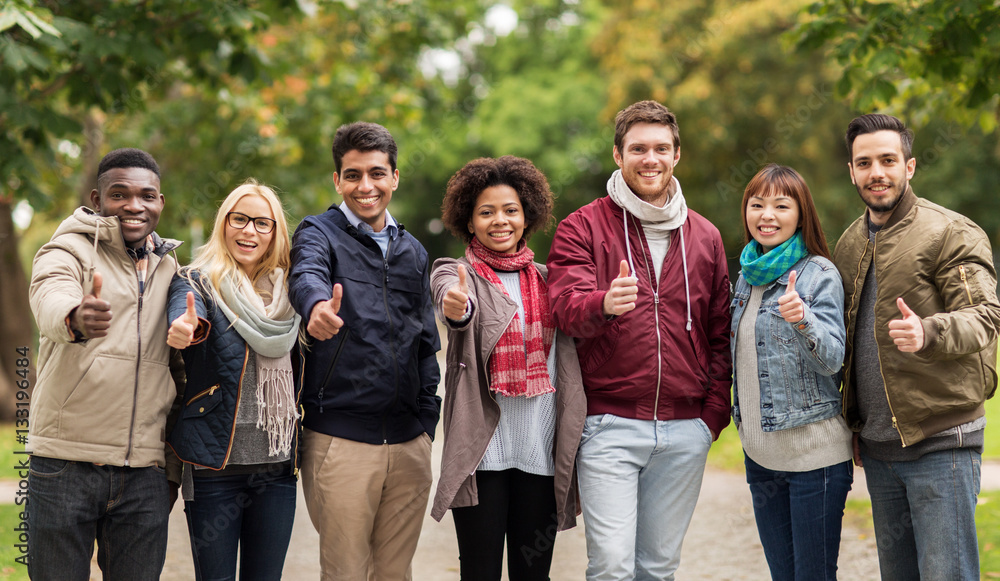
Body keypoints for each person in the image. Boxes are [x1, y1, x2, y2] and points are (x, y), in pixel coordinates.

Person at [546, 100, 732, 580]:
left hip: (685, 429)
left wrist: (711, 416)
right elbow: (563, 310)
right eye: (638, 148)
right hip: (609, 425)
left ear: (676, 156)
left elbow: (719, 333)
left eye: (660, 148)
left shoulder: (706, 237)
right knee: (610, 565)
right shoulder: (581, 226)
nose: (650, 158)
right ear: (617, 154)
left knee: (659, 567)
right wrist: (603, 303)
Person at [834, 113, 1000, 580]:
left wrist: (929, 332)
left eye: (888, 160)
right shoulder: (848, 244)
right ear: (851, 171)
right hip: (881, 447)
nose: (876, 172)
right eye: (864, 162)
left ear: (909, 166)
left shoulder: (951, 231)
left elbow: (985, 316)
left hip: (941, 443)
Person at [288, 121, 441, 580]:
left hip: (408, 441)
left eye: (377, 173)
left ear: (394, 177)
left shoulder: (413, 250)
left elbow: (426, 343)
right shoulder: (318, 232)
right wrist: (316, 307)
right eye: (352, 175)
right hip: (341, 440)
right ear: (337, 180)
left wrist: (425, 423)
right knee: (346, 573)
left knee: (395, 573)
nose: (365, 186)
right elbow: (306, 274)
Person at [27, 148, 182, 580]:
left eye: (146, 195)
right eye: (120, 194)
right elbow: (50, 295)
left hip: (143, 475)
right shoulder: (66, 250)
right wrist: (75, 317)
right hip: (65, 466)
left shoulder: (171, 268)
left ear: (160, 202)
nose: (134, 205)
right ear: (97, 199)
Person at [429, 156, 587, 580]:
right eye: (486, 212)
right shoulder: (455, 272)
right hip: (482, 455)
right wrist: (456, 307)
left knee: (533, 574)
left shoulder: (552, 279)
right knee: (479, 573)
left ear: (526, 215)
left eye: (510, 210)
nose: (500, 221)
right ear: (469, 220)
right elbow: (452, 302)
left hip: (541, 448)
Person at [165, 181, 301, 580]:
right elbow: (185, 314)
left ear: (276, 232)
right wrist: (184, 328)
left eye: (262, 222)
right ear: (223, 224)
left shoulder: (293, 292)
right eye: (239, 219)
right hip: (213, 469)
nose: (249, 231)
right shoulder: (197, 281)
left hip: (276, 469)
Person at [731, 164, 853, 580]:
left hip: (815, 460)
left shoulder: (819, 274)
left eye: (781, 205)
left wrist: (803, 320)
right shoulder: (747, 278)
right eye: (757, 204)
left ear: (801, 214)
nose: (767, 215)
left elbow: (833, 359)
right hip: (761, 458)